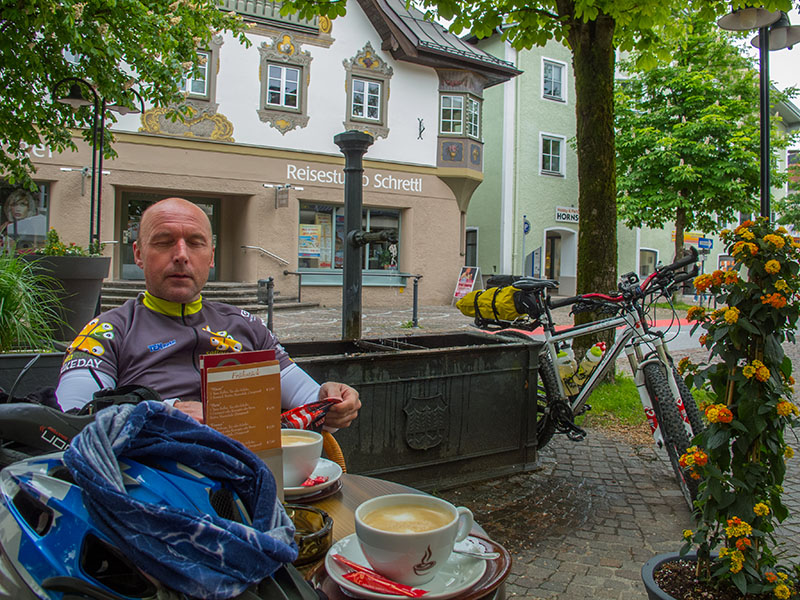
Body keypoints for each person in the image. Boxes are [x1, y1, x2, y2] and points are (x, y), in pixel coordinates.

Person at [55, 197, 361, 429]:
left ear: (211, 256)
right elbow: (72, 421)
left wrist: (330, 400)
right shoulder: (106, 331)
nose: (181, 255)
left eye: (195, 243)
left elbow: (306, 396)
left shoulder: (247, 325)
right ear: (137, 253)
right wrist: (162, 410)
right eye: (163, 242)